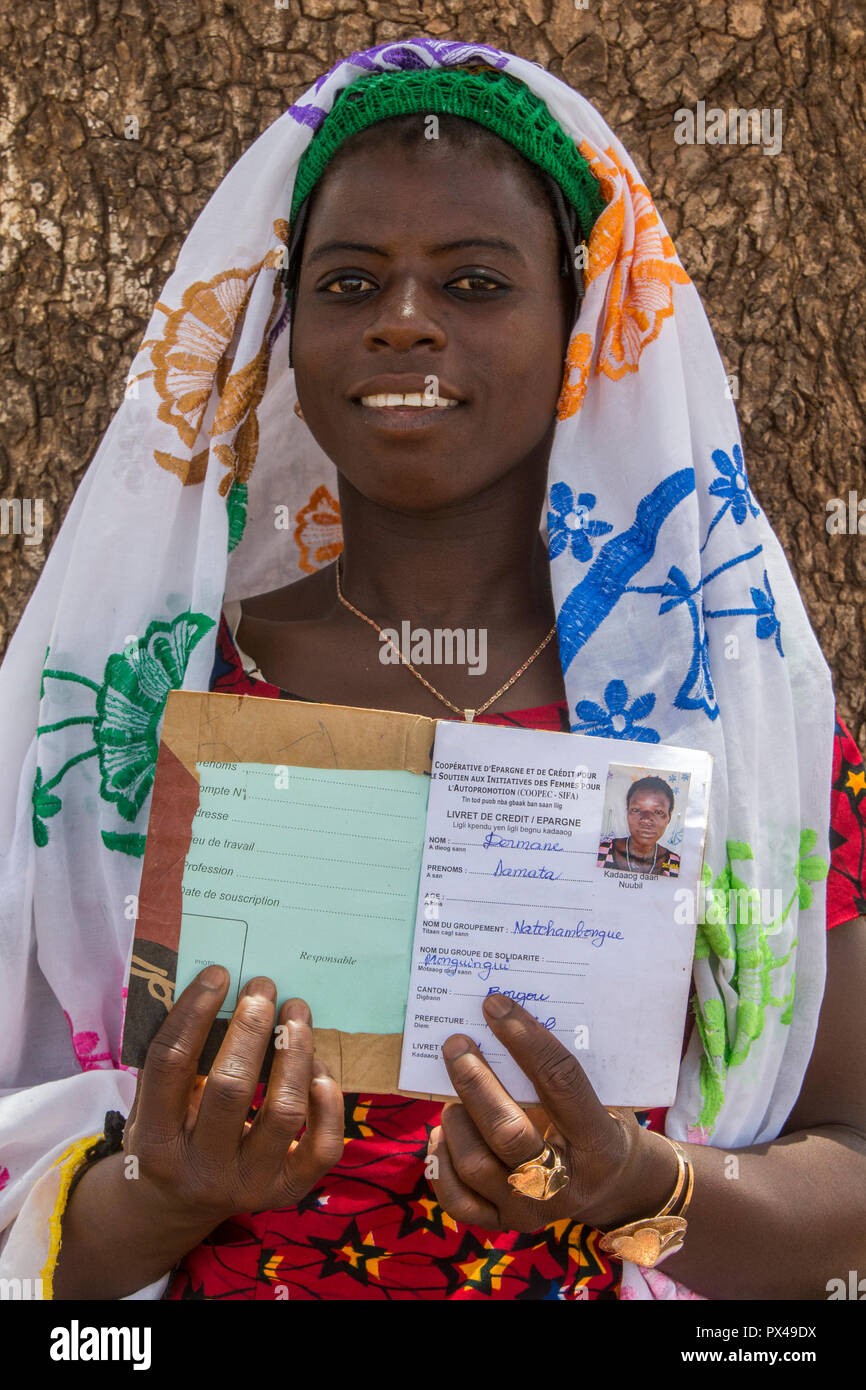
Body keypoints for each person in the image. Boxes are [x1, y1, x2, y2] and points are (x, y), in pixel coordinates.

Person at [1, 38, 865, 1303]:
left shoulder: (738, 730)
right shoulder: (136, 715)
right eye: (351, 283)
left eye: (472, 280)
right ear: (286, 335)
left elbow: (847, 1160)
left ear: (578, 327)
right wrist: (158, 1191)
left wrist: (641, 1188)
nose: (405, 320)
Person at [597, 776, 681, 877]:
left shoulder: (676, 866)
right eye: (636, 810)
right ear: (627, 813)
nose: (646, 819)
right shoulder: (600, 853)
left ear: (669, 818)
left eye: (658, 812)